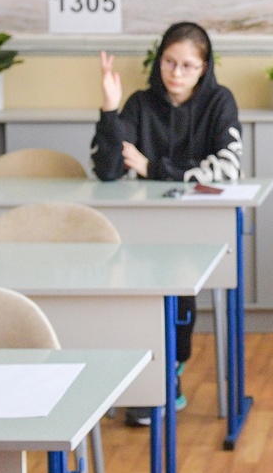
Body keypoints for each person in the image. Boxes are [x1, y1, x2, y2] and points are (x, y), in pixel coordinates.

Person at [91, 21, 242, 424]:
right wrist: (110, 109)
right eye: (169, 62)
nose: (176, 73)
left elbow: (227, 167)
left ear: (204, 68)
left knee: (177, 279)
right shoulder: (140, 104)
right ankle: (137, 372)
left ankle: (170, 368)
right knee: (132, 286)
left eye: (188, 65)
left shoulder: (219, 102)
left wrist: (154, 168)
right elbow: (107, 170)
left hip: (197, 227)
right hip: (141, 228)